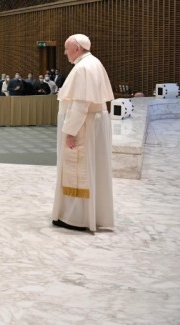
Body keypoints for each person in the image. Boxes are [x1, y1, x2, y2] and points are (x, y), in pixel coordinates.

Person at [51, 34, 114, 232]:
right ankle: (90, 215)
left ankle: (75, 218)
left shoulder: (83, 68)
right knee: (92, 170)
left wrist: (70, 132)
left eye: (66, 48)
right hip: (91, 123)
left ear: (76, 48)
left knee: (78, 172)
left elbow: (80, 104)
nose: (64, 52)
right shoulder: (94, 63)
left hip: (83, 126)